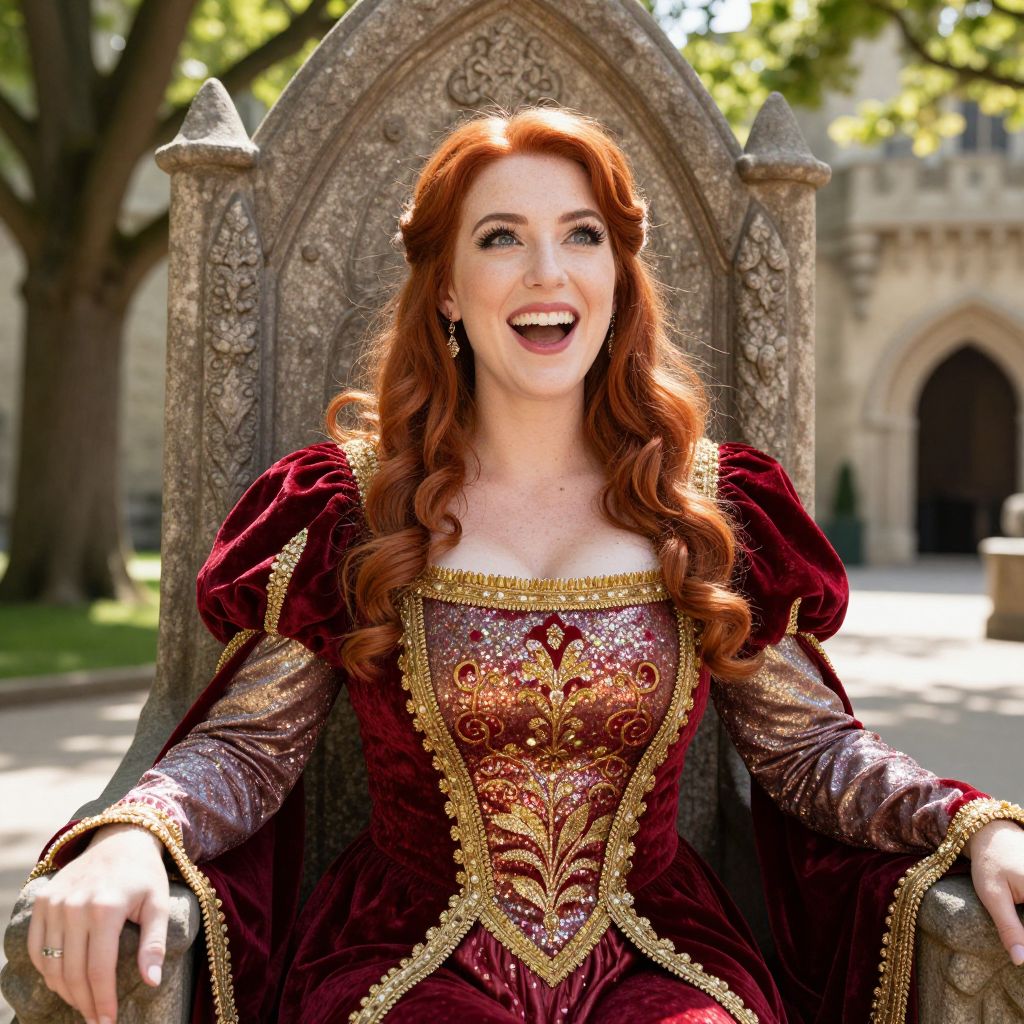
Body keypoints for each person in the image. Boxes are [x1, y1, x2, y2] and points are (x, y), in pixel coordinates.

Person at [23, 105, 1024, 1024]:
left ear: (618, 277)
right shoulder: (352, 508)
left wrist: (972, 824)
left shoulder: (707, 507)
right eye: (502, 237)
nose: (548, 271)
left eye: (581, 235)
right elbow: (249, 747)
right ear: (447, 289)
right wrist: (135, 832)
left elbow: (810, 751)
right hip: (405, 952)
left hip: (658, 952)